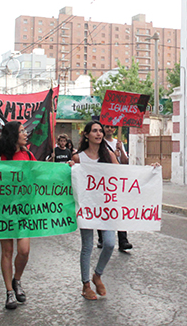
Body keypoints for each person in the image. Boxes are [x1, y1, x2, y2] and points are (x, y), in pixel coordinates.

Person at [0, 121, 37, 310]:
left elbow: (39, 174)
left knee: (24, 251)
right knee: (7, 251)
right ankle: (9, 292)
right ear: (13, 136)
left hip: (24, 211)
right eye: (22, 131)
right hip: (4, 211)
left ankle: (17, 280)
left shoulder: (28, 155)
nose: (26, 134)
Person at [72, 121, 118, 300]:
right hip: (87, 209)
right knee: (87, 246)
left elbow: (124, 177)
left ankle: (97, 275)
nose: (99, 134)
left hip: (106, 208)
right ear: (86, 135)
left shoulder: (109, 156)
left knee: (109, 243)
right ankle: (86, 285)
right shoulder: (78, 158)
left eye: (100, 131)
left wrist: (150, 171)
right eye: (95, 131)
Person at [99, 124, 132, 251]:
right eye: (106, 127)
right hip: (103, 182)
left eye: (112, 127)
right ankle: (102, 237)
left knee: (119, 210)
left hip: (116, 182)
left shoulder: (119, 143)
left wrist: (121, 151)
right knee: (104, 210)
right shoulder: (100, 143)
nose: (109, 129)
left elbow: (124, 162)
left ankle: (123, 240)